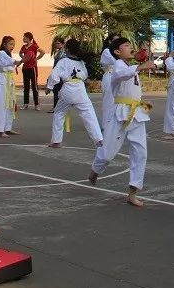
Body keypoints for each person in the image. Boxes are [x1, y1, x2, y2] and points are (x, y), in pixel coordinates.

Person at [89, 38, 158, 207]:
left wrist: (143, 102)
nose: (131, 48)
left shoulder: (130, 68)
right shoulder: (118, 66)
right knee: (107, 153)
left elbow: (132, 90)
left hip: (137, 114)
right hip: (120, 113)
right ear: (117, 52)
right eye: (126, 46)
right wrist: (142, 66)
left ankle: (132, 193)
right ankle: (95, 170)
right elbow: (121, 75)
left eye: (130, 45)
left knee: (140, 153)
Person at [46, 38, 103, 149]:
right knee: (89, 114)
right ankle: (99, 140)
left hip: (67, 89)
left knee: (59, 113)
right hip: (80, 90)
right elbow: (85, 75)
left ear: (66, 49)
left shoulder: (63, 61)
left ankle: (56, 141)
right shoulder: (81, 62)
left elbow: (54, 75)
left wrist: (49, 87)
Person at [0, 36, 20, 138]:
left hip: (9, 81)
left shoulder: (8, 55)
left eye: (13, 44)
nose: (12, 46)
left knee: (10, 104)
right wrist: (17, 61)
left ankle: (7, 128)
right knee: (1, 105)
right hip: (1, 80)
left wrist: (17, 62)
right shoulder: (1, 53)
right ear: (4, 44)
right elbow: (10, 61)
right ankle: (0, 130)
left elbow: (11, 62)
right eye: (10, 44)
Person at [19, 32, 44, 110]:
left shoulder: (34, 46)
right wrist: (24, 58)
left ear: (29, 38)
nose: (23, 38)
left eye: (24, 37)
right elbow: (20, 53)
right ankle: (25, 104)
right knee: (26, 86)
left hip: (32, 68)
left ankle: (37, 105)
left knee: (34, 86)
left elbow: (42, 52)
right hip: (25, 68)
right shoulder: (23, 47)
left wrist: (36, 59)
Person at [99, 35, 117, 128]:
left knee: (118, 102)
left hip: (117, 77)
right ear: (110, 41)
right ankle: (106, 125)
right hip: (110, 76)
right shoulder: (107, 51)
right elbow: (115, 62)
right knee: (108, 101)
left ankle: (115, 123)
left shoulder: (118, 52)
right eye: (116, 40)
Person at [47, 36, 66, 113]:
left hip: (60, 74)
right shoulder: (59, 52)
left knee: (57, 90)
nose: (56, 45)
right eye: (56, 43)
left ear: (62, 44)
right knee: (56, 91)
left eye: (58, 43)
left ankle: (56, 107)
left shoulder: (63, 53)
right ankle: (57, 107)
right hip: (57, 73)